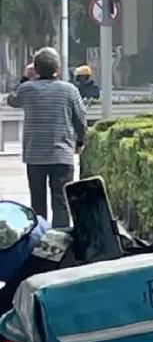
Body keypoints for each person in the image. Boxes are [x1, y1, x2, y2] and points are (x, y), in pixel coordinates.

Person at [6, 47, 87, 229]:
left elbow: (11, 100)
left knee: (37, 201)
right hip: (62, 156)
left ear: (35, 69)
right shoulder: (70, 90)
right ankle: (60, 239)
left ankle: (39, 236)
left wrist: (25, 77)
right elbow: (81, 119)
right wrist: (80, 142)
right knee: (61, 202)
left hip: (35, 156)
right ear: (57, 68)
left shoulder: (26, 89)